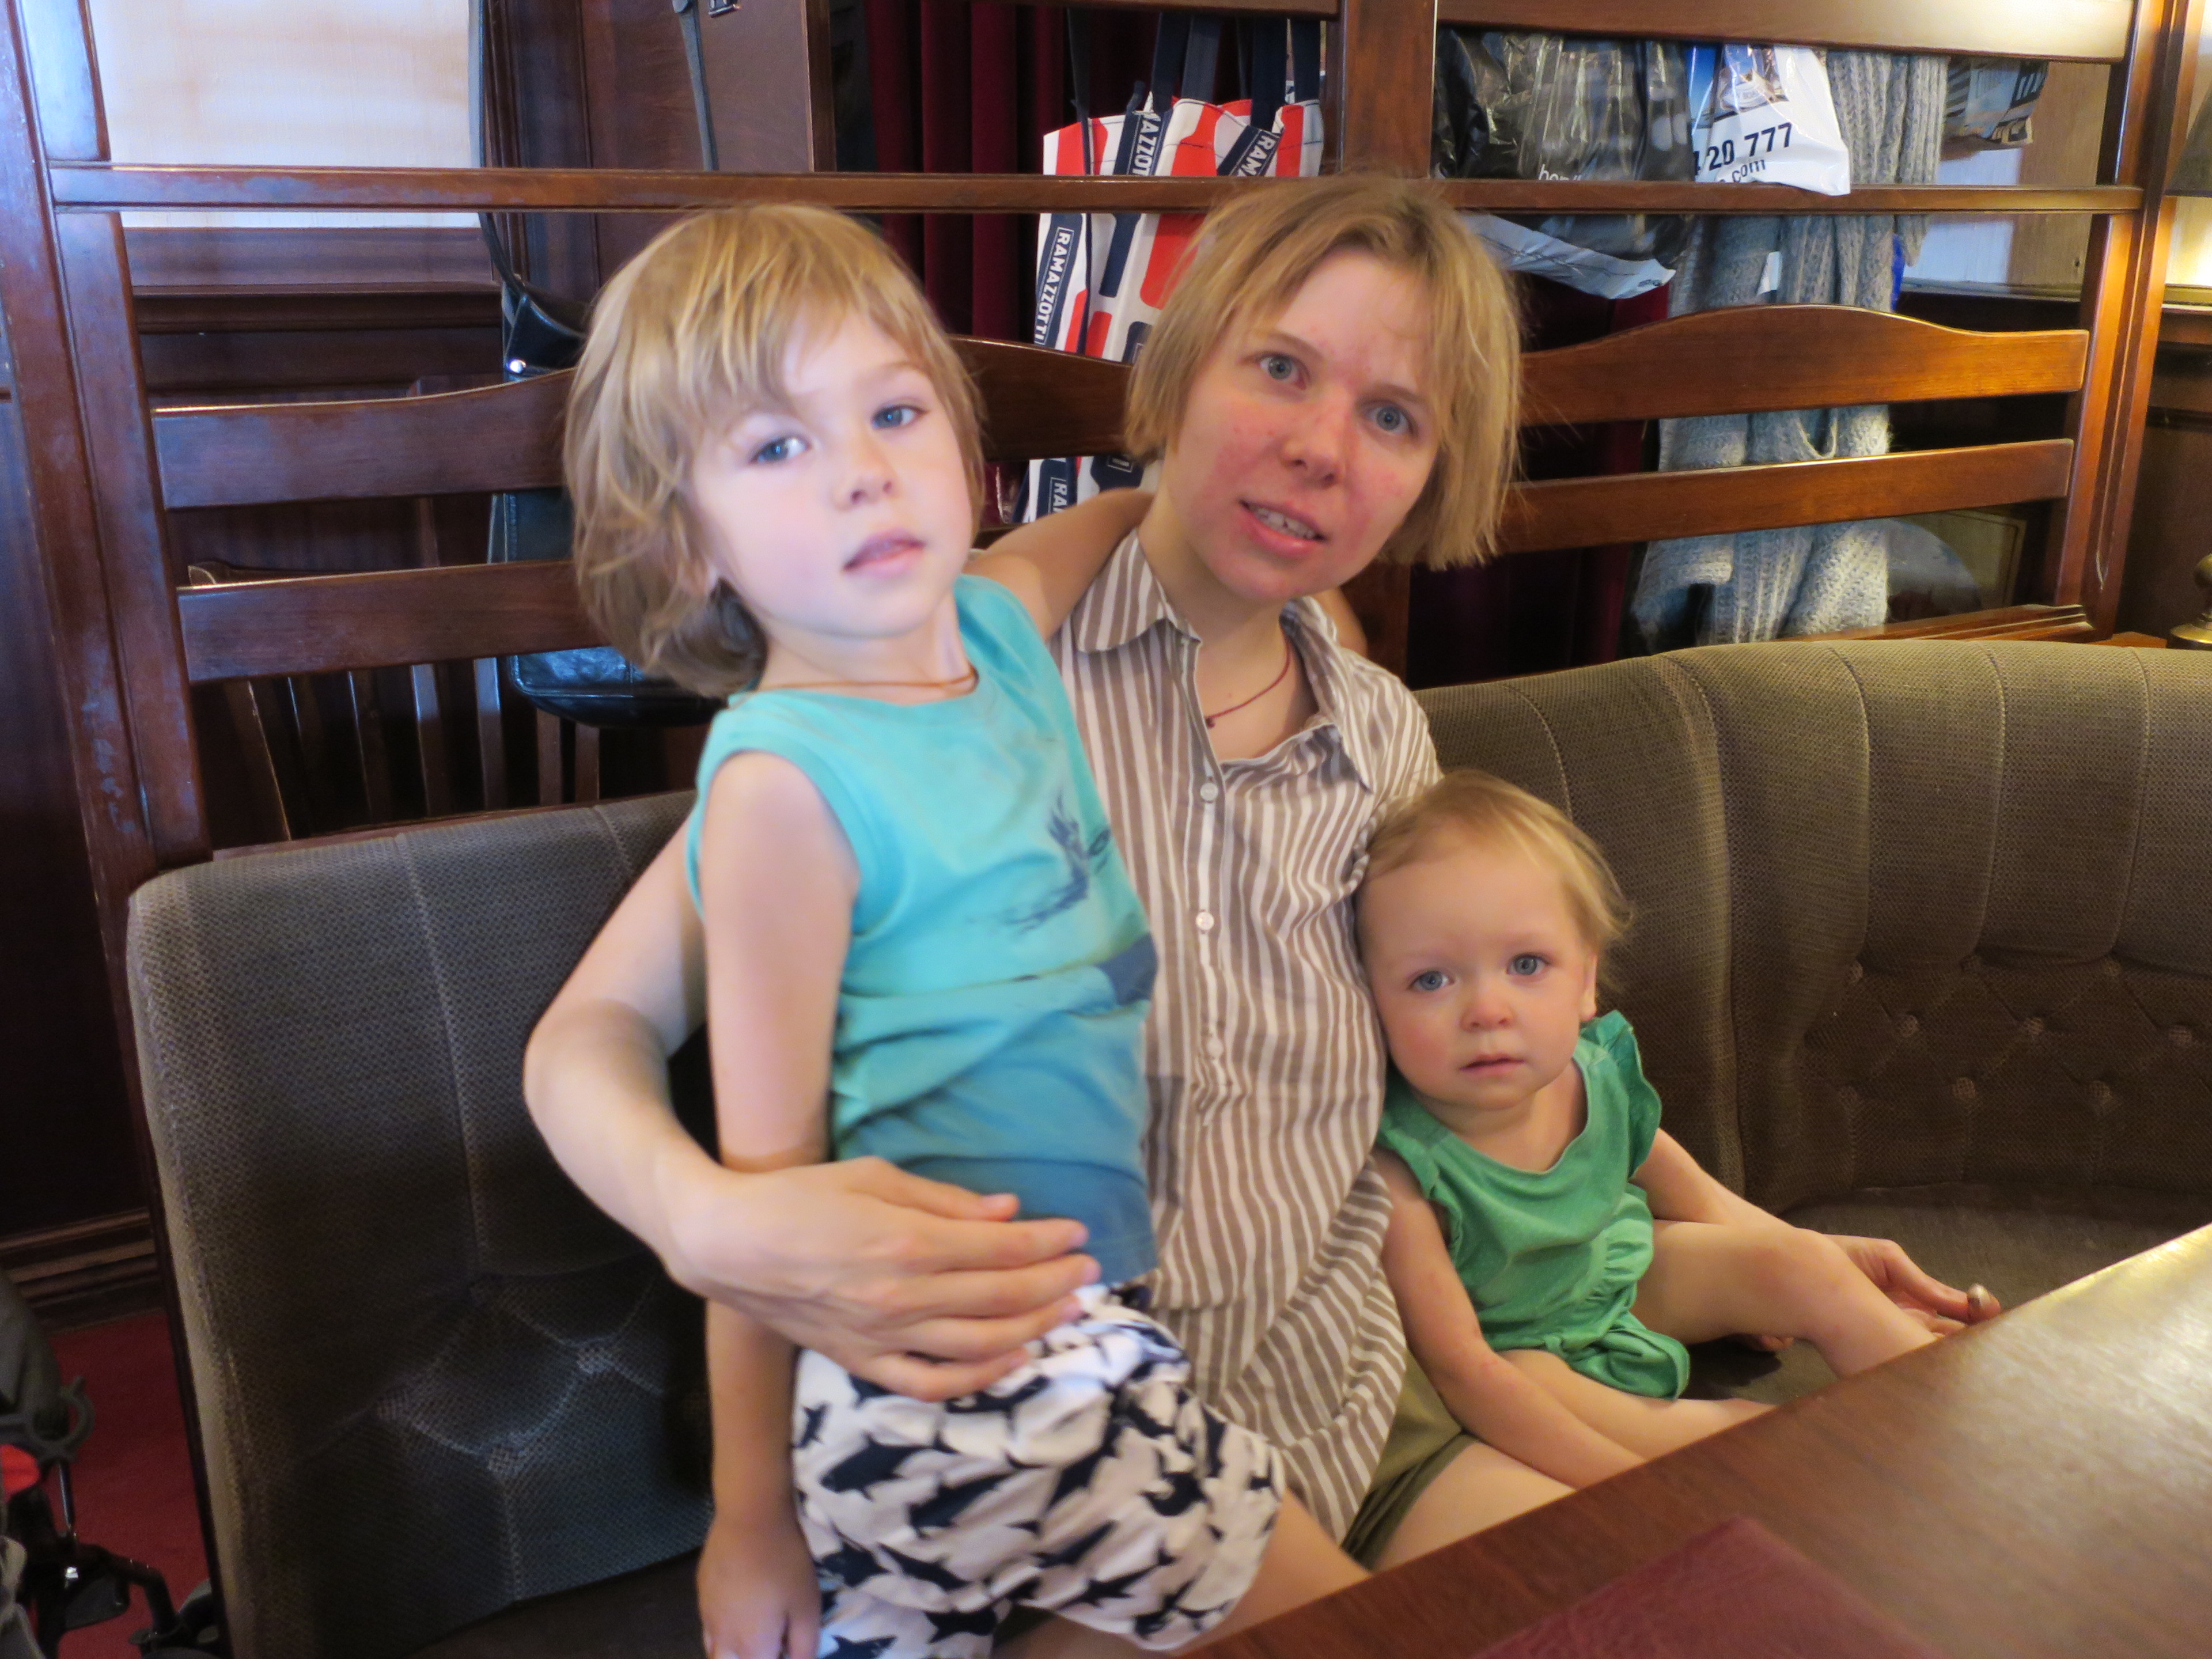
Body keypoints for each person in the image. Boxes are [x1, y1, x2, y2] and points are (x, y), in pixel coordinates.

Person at [524, 176, 1985, 1636]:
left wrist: (1760, 1240)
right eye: (1278, 368)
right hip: (1071, 1457)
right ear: (1180, 365)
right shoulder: (946, 684)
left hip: (1364, 1403)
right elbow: (595, 1031)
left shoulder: (1381, 737)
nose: (1318, 449)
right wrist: (703, 1218)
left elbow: (1496, 1057)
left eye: (1392, 417)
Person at [559, 202, 1372, 1657]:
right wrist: (749, 1520)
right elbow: (767, 1205)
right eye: (775, 447)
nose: (862, 471)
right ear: (686, 549)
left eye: (893, 412)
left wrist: (1273, 524)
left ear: (965, 450)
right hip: (967, 1372)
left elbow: (1124, 517)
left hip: (1060, 1332)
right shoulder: (783, 789)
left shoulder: (998, 629)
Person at [1361, 770, 2002, 1488]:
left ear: (1584, 982)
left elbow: (1686, 1187)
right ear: (1368, 1005)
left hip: (1624, 1272)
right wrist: (1630, 1491)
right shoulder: (1399, 1167)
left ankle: (1961, 1408)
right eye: (1430, 980)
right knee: (1739, 1440)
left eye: (1527, 964)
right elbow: (1463, 1371)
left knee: (1807, 1263)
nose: (1488, 1009)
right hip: (1523, 1356)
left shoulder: (1592, 1072)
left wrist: (1773, 1278)